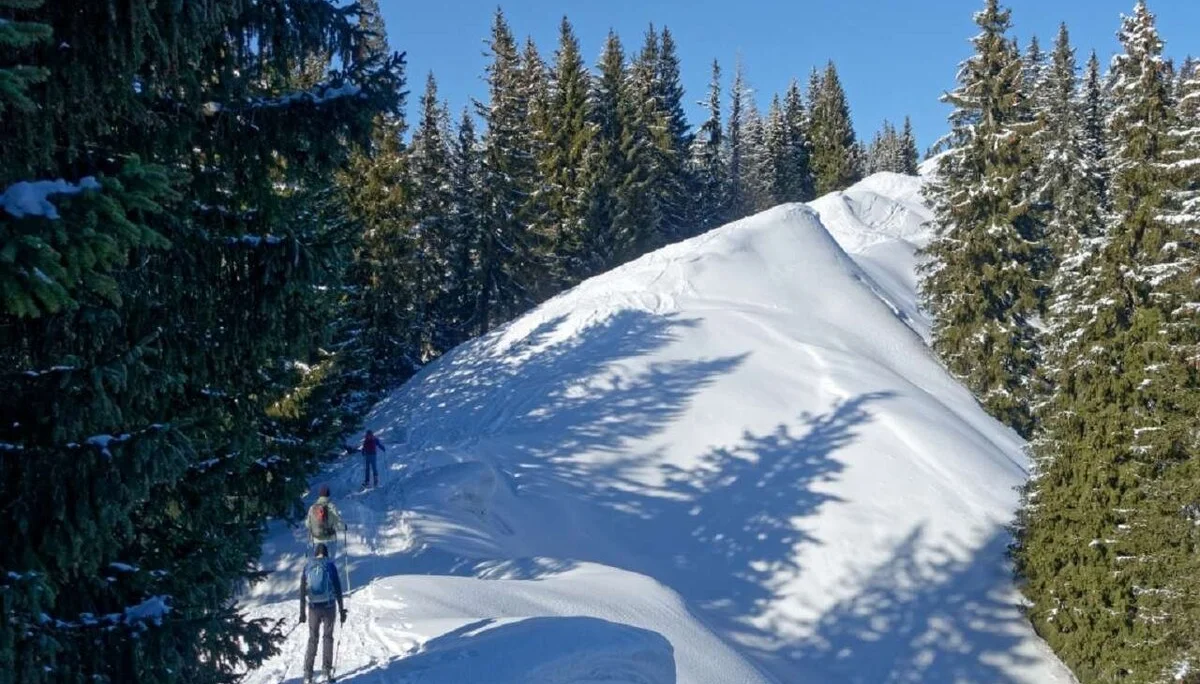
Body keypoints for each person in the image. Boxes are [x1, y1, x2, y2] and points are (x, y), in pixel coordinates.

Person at [299, 543, 346, 684]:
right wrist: (342, 609)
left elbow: (302, 591)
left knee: (312, 638)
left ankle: (308, 674)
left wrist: (302, 613)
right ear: (326, 553)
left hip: (313, 608)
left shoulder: (308, 566)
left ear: (315, 553)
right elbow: (338, 588)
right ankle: (326, 672)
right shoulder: (330, 565)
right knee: (328, 637)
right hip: (329, 606)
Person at [305, 484, 346, 558]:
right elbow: (338, 523)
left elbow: (307, 524)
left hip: (316, 539)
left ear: (319, 495)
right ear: (328, 495)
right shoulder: (331, 507)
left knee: (317, 562)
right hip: (330, 539)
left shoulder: (313, 507)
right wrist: (344, 527)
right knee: (330, 561)